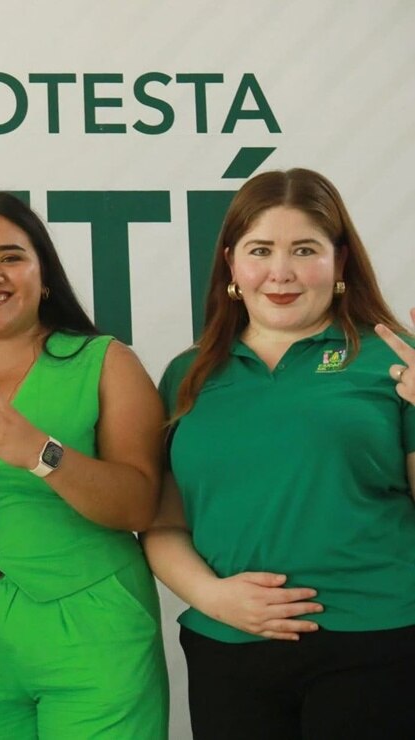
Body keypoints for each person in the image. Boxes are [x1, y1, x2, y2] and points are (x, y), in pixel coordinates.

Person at [142, 168, 415, 739]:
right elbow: (163, 525)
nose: (281, 272)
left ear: (340, 261)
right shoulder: (187, 375)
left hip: (376, 644)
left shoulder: (394, 359)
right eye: (260, 250)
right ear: (231, 264)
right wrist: (213, 597)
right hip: (228, 650)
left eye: (305, 250)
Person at [0, 192, 169, 739]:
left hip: (95, 636)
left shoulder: (106, 362)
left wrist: (44, 455)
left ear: (44, 277)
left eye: (11, 257)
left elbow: (140, 504)